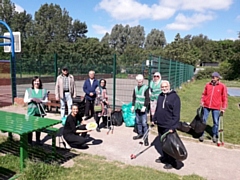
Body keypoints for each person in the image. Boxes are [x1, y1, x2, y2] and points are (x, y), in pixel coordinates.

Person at [153, 80, 181, 169]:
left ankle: (172, 161)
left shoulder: (175, 97)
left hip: (169, 126)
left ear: (169, 86)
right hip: (160, 124)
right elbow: (158, 109)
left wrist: (173, 127)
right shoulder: (160, 96)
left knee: (170, 144)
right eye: (162, 87)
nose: (164, 88)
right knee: (162, 143)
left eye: (166, 87)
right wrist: (154, 119)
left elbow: (176, 114)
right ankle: (165, 157)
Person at [199, 72, 228, 143]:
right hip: (206, 106)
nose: (213, 78)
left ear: (218, 78)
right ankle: (202, 134)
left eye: (214, 77)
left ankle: (214, 135)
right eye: (212, 77)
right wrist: (202, 101)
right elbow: (204, 94)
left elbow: (224, 97)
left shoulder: (222, 86)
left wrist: (223, 107)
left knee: (216, 122)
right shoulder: (207, 85)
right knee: (203, 120)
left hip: (216, 107)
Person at [24, 76, 48, 145]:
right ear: (33, 82)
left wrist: (40, 100)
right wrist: (32, 99)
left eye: (38, 81)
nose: (36, 82)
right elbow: (25, 100)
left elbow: (46, 101)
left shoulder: (43, 91)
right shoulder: (28, 90)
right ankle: (29, 141)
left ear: (40, 82)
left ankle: (38, 140)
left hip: (40, 111)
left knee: (38, 126)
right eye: (35, 81)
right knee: (30, 126)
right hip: (31, 111)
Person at [131, 74, 150, 146]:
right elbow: (134, 97)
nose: (139, 82)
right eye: (138, 81)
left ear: (142, 80)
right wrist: (133, 105)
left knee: (144, 123)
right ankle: (140, 133)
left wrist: (145, 106)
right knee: (138, 121)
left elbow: (147, 98)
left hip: (142, 108)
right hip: (137, 107)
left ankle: (146, 138)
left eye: (140, 80)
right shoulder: (135, 88)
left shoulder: (146, 88)